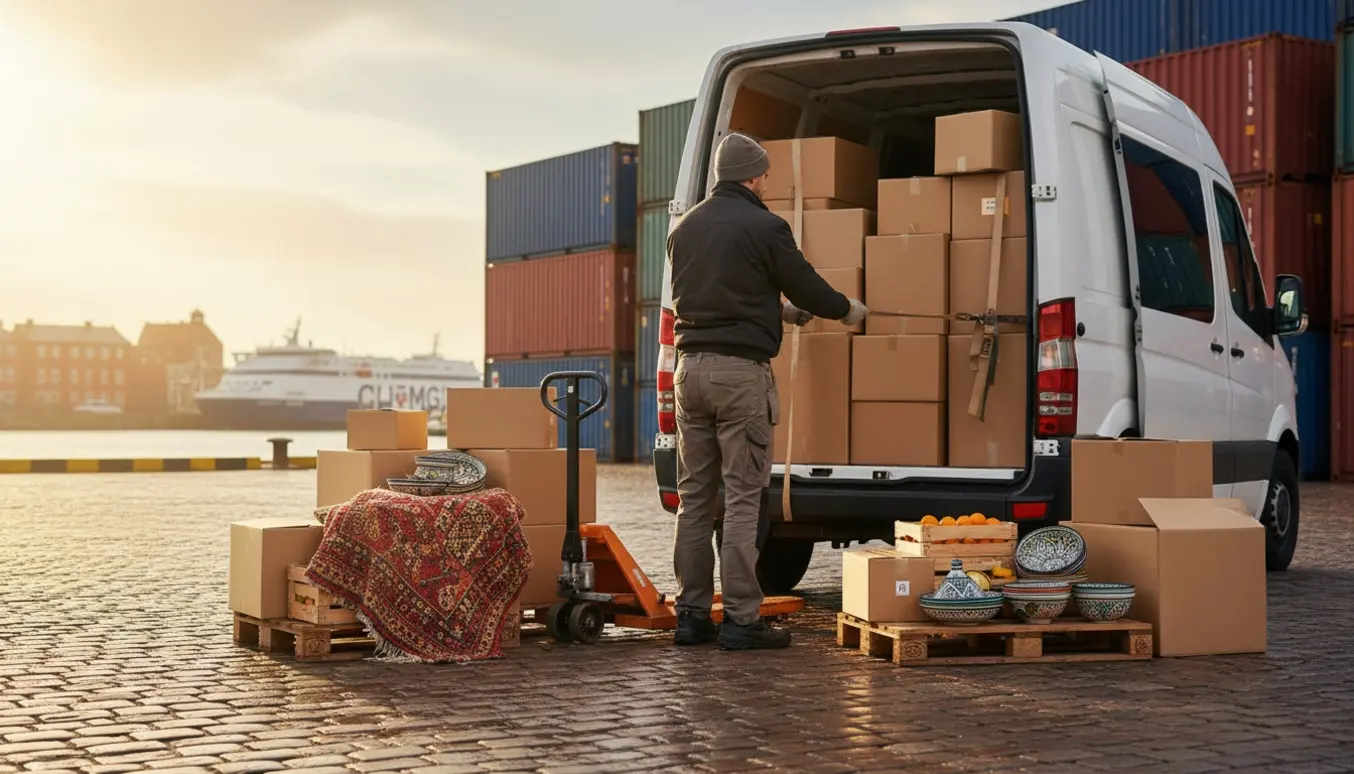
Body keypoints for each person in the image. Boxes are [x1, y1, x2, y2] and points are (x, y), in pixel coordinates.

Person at [667, 132, 868, 649]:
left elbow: (710, 290)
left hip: (689, 372)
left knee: (694, 501)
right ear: (754, 176)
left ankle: (690, 617)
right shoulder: (765, 225)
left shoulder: (684, 228)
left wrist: (778, 309)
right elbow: (806, 284)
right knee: (741, 499)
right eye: (764, 175)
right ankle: (741, 621)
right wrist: (846, 309)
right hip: (740, 376)